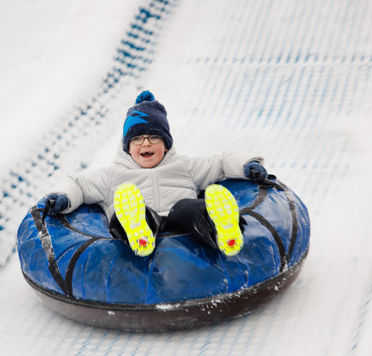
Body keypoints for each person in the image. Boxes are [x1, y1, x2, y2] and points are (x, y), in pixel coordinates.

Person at [43, 90, 269, 257]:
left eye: (154, 138)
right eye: (137, 139)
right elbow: (78, 184)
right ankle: (137, 227)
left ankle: (221, 228)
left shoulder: (183, 165)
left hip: (181, 222)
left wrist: (247, 165)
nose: (145, 144)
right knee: (129, 212)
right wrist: (62, 197)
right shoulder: (113, 174)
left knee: (188, 208)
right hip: (144, 221)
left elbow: (220, 162)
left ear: (166, 144)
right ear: (127, 146)